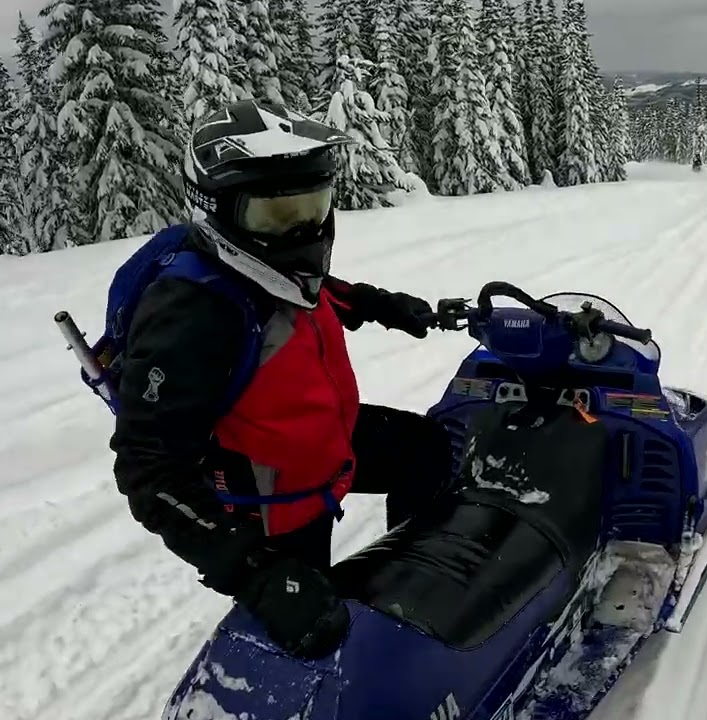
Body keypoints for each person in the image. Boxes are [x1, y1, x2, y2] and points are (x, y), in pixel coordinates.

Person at [108, 100, 454, 660]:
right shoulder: (192, 314)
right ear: (217, 210)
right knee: (315, 634)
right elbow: (148, 467)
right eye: (277, 216)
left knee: (424, 449)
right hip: (273, 500)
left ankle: (412, 580)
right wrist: (256, 571)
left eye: (314, 207)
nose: (304, 229)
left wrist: (384, 305)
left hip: (322, 442)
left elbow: (315, 294)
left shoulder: (269, 270)